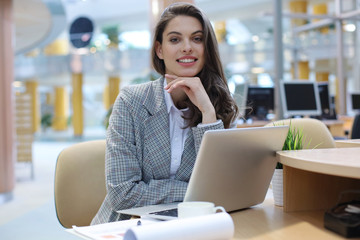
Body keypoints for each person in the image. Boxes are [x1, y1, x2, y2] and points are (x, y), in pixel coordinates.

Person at [91, 2, 238, 225]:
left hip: (195, 225)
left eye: (197, 39)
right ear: (160, 50)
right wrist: (197, 192)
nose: (187, 47)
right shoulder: (132, 102)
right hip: (128, 225)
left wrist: (208, 114)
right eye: (175, 39)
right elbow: (122, 195)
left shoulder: (220, 106)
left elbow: (222, 187)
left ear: (206, 49)